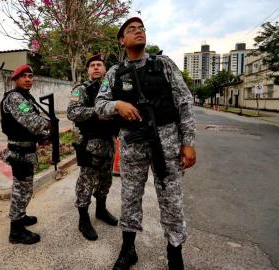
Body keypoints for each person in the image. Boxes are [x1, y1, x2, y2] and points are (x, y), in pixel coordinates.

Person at [95, 17, 197, 270]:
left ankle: (175, 254)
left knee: (171, 199)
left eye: (141, 29)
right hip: (132, 143)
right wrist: (117, 104)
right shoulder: (115, 72)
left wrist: (189, 142)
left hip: (166, 141)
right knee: (130, 198)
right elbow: (99, 105)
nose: (138, 32)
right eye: (132, 29)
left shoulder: (163, 64)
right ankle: (128, 249)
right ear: (122, 40)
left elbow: (184, 102)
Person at [67, 54, 119, 241]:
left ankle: (101, 210)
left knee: (105, 180)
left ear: (105, 69)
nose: (96, 68)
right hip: (90, 143)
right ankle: (83, 220)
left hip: (108, 142)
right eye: (93, 65)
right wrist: (98, 112)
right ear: (88, 70)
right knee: (86, 183)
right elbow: (72, 112)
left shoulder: (112, 89)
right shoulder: (81, 89)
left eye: (99, 65)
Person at [0, 64, 51, 245]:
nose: (28, 79)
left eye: (30, 76)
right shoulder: (15, 98)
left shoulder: (26, 97)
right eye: (24, 76)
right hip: (19, 152)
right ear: (15, 79)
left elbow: (32, 126)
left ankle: (20, 216)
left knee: (25, 188)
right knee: (21, 190)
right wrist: (49, 126)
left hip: (26, 150)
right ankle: (16, 230)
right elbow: (32, 122)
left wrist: (44, 136)